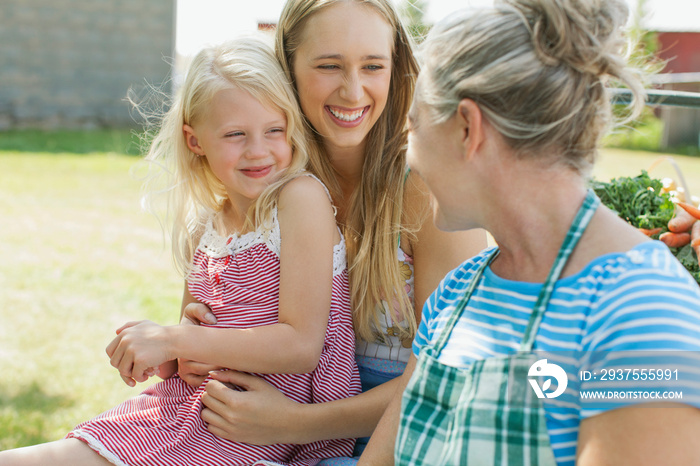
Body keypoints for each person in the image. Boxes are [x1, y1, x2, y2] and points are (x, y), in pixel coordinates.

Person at [358, 0, 700, 464]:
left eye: (413, 127)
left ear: (466, 127)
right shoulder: (458, 293)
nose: (408, 152)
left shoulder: (641, 309)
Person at [0, 35, 362, 466]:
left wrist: (175, 338)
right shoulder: (206, 226)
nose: (258, 150)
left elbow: (301, 345)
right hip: (183, 413)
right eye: (235, 134)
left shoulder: (300, 198)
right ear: (195, 141)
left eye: (274, 130)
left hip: (256, 430)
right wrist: (168, 356)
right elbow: (193, 345)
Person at [178, 0, 488, 461]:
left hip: (408, 436)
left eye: (372, 66)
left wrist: (293, 424)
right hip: (272, 433)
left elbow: (449, 378)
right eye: (329, 65)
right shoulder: (267, 181)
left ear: (395, 70)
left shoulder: (427, 186)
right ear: (288, 68)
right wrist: (196, 337)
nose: (353, 89)